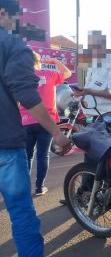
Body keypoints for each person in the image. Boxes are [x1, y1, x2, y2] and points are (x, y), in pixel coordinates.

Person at [0, 0, 72, 257]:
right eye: (15, 19)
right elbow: (27, 96)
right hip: (5, 145)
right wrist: (57, 133)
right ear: (3, 14)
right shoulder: (11, 45)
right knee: (20, 212)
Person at [59, 31, 111, 206]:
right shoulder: (95, 64)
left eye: (94, 46)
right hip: (97, 118)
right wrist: (82, 94)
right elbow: (93, 89)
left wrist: (89, 92)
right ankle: (90, 197)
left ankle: (99, 198)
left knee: (100, 159)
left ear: (104, 46)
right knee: (94, 159)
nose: (91, 50)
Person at [19, 52, 72, 196]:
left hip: (26, 121)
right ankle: (39, 188)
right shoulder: (50, 74)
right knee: (43, 155)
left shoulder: (21, 78)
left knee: (27, 156)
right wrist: (55, 60)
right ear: (39, 62)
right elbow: (67, 73)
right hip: (47, 121)